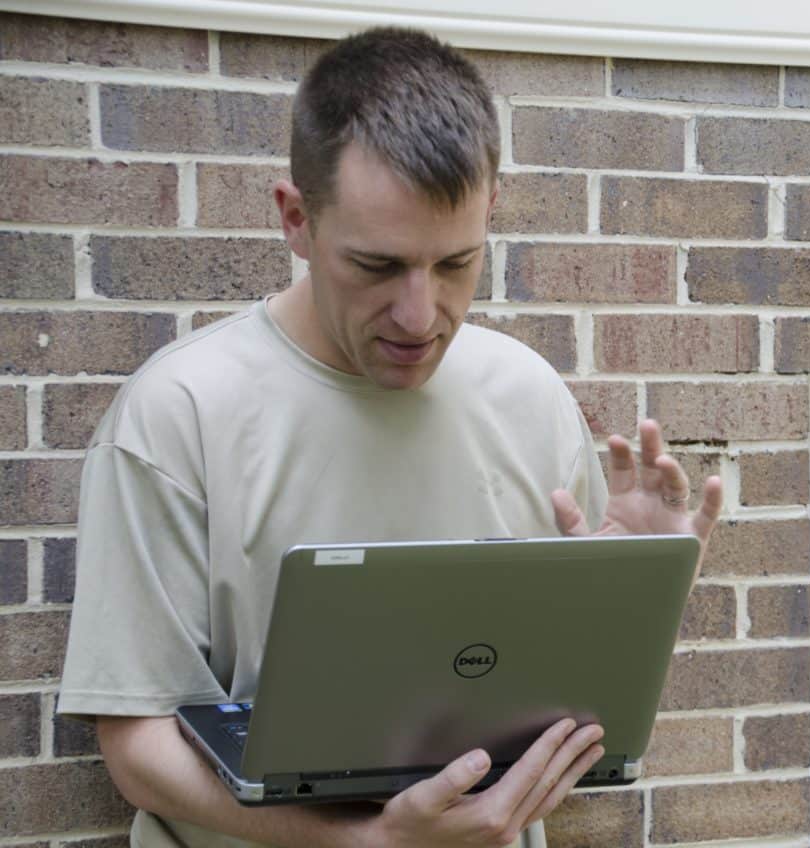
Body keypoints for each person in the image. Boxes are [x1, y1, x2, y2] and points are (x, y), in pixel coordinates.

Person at [56, 27, 722, 848]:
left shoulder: (528, 397)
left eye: (456, 265)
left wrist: (637, 601)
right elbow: (138, 742)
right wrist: (363, 844)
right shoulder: (177, 414)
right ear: (297, 220)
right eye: (377, 267)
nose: (420, 315)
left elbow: (564, 706)